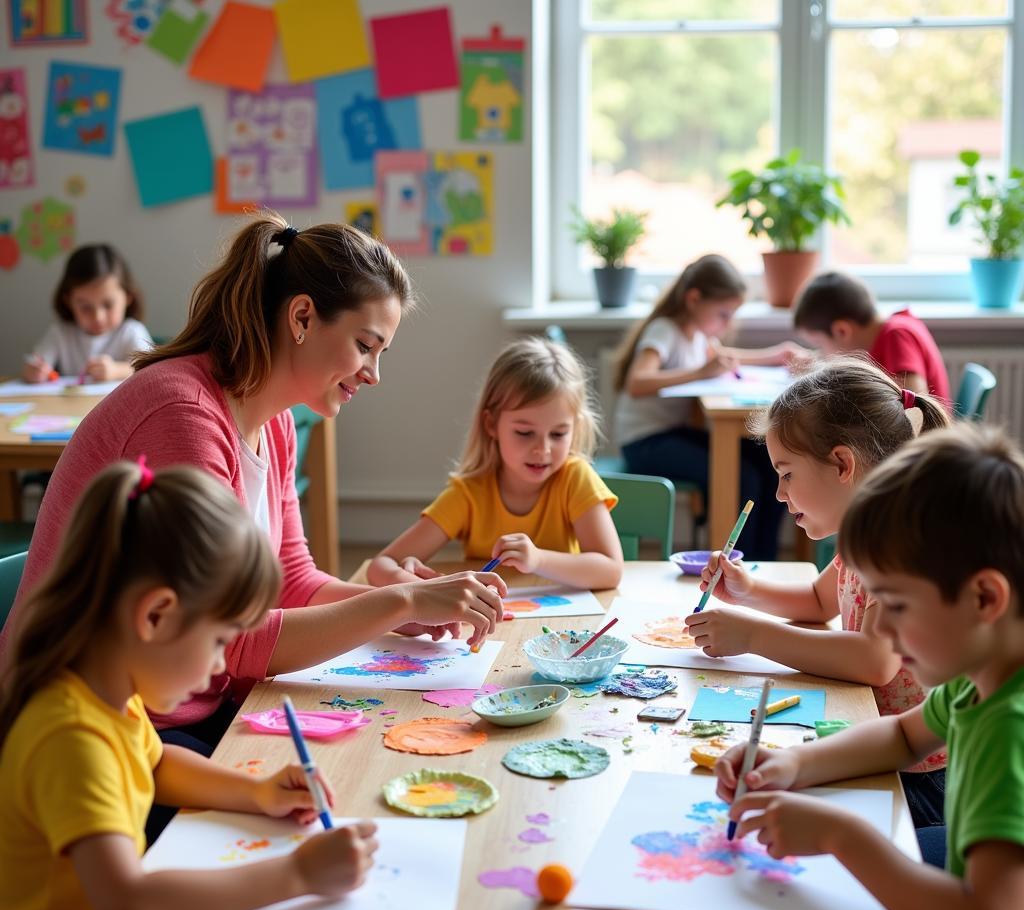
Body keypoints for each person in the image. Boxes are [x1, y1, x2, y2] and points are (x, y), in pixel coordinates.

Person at [2, 213, 507, 758]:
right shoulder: (183, 415)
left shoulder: (276, 420)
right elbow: (234, 639)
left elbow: (291, 581)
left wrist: (401, 607)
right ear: (303, 317)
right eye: (365, 345)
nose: (373, 373)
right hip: (93, 737)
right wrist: (400, 603)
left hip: (176, 712)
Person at [0, 460, 378, 910]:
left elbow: (153, 765)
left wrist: (257, 793)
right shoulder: (69, 734)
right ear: (155, 615)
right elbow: (128, 906)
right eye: (221, 639)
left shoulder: (105, 689)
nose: (225, 661)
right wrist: (297, 875)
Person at [715, 424, 1024, 910]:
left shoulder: (1007, 725)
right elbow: (906, 733)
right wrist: (795, 764)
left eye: (898, 607)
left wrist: (842, 837)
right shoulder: (983, 672)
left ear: (985, 599)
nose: (878, 633)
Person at [686, 357, 950, 830]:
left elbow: (874, 659)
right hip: (883, 740)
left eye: (786, 474)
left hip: (925, 780)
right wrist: (747, 592)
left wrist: (753, 636)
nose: (780, 495)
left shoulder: (893, 542)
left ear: (842, 465)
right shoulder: (861, 531)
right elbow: (819, 599)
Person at [368, 337, 623, 591]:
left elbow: (610, 570)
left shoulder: (575, 479)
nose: (543, 449)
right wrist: (415, 585)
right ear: (491, 424)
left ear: (575, 428)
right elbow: (381, 565)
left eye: (558, 434)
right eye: (524, 433)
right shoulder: (469, 494)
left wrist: (538, 559)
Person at [612, 254, 803, 560]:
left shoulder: (698, 334)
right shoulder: (665, 330)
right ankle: (741, 562)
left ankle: (766, 561)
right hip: (645, 443)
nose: (727, 324)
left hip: (671, 434)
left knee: (766, 460)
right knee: (744, 476)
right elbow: (638, 381)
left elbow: (725, 359)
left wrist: (775, 355)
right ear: (693, 299)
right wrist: (700, 373)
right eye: (723, 314)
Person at [792, 271, 950, 403]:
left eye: (820, 344)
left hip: (923, 438)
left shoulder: (898, 335)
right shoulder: (889, 332)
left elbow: (914, 405)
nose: (822, 354)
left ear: (842, 331)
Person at [23, 243, 152, 382]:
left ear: (128, 297)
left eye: (108, 305)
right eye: (85, 307)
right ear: (68, 301)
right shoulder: (60, 333)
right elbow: (35, 364)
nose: (98, 317)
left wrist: (116, 371)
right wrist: (33, 372)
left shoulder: (131, 331)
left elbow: (150, 369)